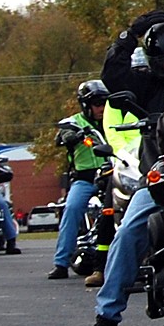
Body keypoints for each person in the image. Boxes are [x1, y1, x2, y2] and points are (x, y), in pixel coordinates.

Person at [78, 13, 164, 326]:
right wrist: (129, 35)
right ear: (155, 62)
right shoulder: (144, 84)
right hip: (161, 179)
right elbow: (112, 75)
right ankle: (106, 317)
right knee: (128, 231)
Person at [48, 81, 112, 279]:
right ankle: (61, 263)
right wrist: (70, 136)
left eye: (104, 103)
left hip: (112, 175)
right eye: (96, 104)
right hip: (85, 178)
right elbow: (61, 136)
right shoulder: (74, 121)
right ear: (85, 105)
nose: (101, 108)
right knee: (73, 208)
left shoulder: (114, 120)